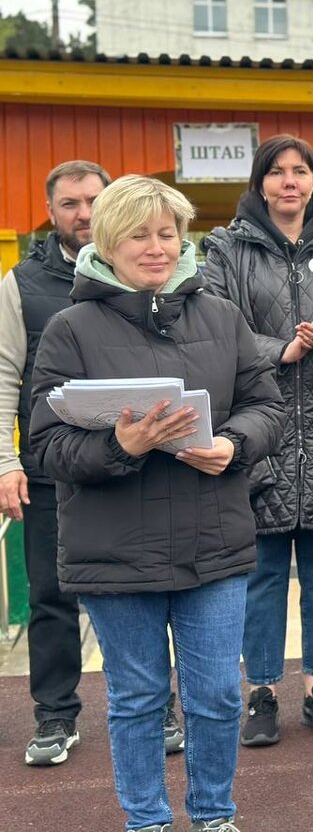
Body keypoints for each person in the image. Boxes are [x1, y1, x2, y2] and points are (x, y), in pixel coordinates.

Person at [28, 175, 284, 832]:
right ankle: (146, 822)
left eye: (167, 233)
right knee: (137, 697)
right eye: (139, 235)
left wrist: (233, 444)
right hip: (116, 551)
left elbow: (268, 408)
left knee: (218, 696)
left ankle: (214, 817)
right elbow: (47, 446)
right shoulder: (69, 329)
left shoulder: (222, 316)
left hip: (213, 542)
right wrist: (119, 443)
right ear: (109, 243)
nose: (156, 247)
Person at [0, 161, 186, 766]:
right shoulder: (19, 285)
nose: (82, 213)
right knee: (51, 597)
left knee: (144, 590)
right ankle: (56, 715)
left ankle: (157, 707)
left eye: (93, 201)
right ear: (51, 212)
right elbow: (5, 378)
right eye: (69, 203)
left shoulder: (154, 280)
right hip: (55, 467)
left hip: (139, 468)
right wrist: (6, 461)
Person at [203, 134, 313, 746]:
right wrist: (279, 348)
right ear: (259, 182)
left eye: (300, 171)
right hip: (261, 428)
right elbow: (210, 327)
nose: (290, 182)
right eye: (277, 172)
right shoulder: (225, 248)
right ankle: (260, 691)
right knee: (260, 573)